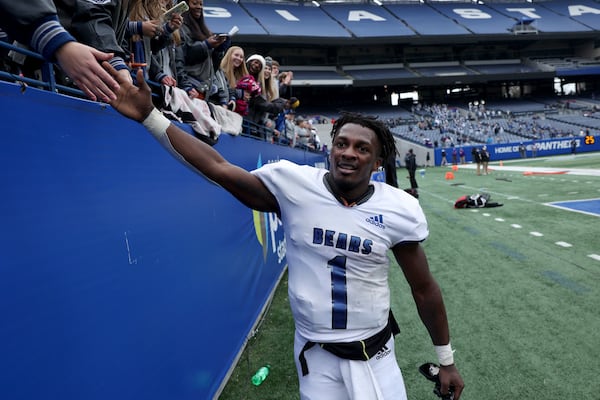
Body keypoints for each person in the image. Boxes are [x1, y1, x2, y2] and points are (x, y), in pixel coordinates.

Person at [104, 63, 464, 400]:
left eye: (361, 148)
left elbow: (423, 288)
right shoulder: (294, 185)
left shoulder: (398, 208)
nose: (348, 153)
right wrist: (150, 118)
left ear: (378, 162)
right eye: (341, 143)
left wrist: (445, 359)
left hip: (374, 352)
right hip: (315, 353)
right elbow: (218, 168)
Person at [0, 0, 120, 102]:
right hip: (42, 57)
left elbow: (98, 14)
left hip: (65, 57)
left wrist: (117, 64)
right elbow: (92, 13)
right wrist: (56, 40)